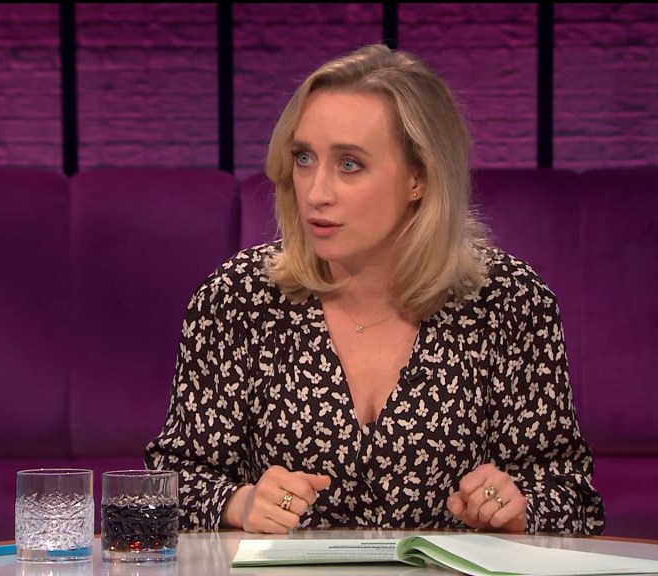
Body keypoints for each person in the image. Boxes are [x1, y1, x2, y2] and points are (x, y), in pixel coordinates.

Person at [145, 42, 605, 536]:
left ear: (418, 179)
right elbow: (166, 489)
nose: (316, 192)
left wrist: (517, 508)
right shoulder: (237, 299)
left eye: (349, 164)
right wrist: (240, 503)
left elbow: (573, 498)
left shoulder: (510, 302)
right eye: (304, 158)